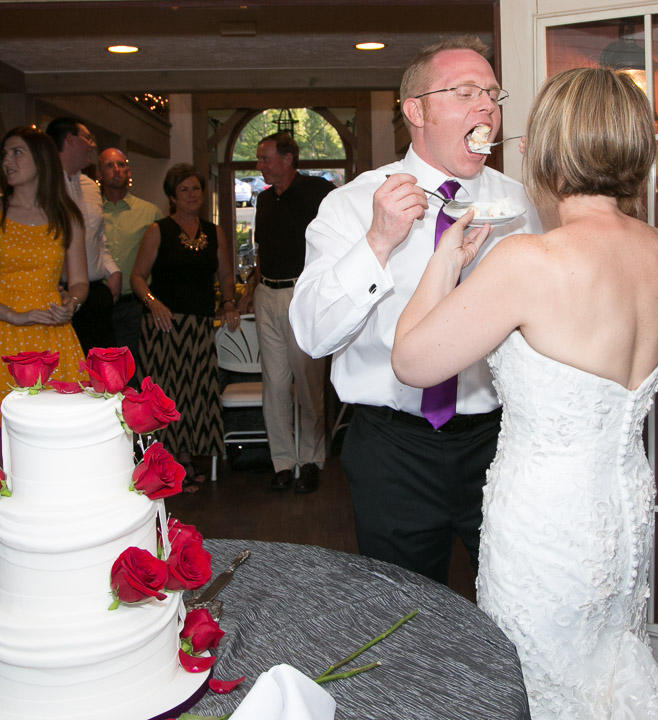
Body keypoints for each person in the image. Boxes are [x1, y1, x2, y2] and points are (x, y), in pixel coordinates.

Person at [391, 68, 658, 718]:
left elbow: (412, 361)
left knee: (541, 685)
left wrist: (445, 259)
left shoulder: (530, 260)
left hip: (549, 529)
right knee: (608, 662)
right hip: (624, 511)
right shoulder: (656, 249)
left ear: (548, 149)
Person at [290, 36, 541, 582]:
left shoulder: (522, 205)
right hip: (392, 450)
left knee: (515, 605)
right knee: (403, 616)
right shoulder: (353, 205)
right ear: (416, 110)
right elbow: (312, 335)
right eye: (466, 92)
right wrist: (378, 242)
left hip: (500, 444)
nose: (486, 109)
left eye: (493, 95)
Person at [0, 126, 89, 433]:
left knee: (57, 430)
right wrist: (13, 316)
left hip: (49, 329)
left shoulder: (67, 217)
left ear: (41, 161)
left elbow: (80, 281)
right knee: (7, 435)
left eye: (17, 153)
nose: (7, 162)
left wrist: (73, 302)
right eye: (5, 154)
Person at [130, 163, 239, 485]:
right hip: (164, 327)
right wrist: (153, 303)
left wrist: (229, 302)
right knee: (166, 396)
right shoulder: (157, 230)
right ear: (172, 197)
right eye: (184, 190)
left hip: (200, 326)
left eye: (196, 189)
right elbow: (136, 276)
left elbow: (225, 274)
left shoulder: (213, 230)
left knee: (197, 395)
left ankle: (187, 461)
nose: (192, 195)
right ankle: (163, 466)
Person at [239, 132, 334, 493]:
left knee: (309, 385)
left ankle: (311, 460)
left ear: (288, 158)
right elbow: (263, 248)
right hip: (267, 293)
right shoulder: (264, 200)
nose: (259, 165)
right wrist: (252, 288)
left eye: (265, 158)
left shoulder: (318, 192)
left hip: (303, 295)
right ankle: (282, 462)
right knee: (274, 386)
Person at [46, 117, 121, 353]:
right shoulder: (43, 186)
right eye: (88, 138)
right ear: (70, 140)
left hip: (95, 295)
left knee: (101, 375)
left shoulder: (90, 187)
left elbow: (98, 237)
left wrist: (112, 269)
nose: (92, 145)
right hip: (57, 295)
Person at [98, 148, 163, 367]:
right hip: (98, 304)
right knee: (98, 371)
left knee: (134, 370)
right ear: (99, 173)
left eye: (121, 164)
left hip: (134, 307)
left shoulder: (149, 213)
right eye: (109, 165)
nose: (116, 170)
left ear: (129, 171)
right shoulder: (90, 212)